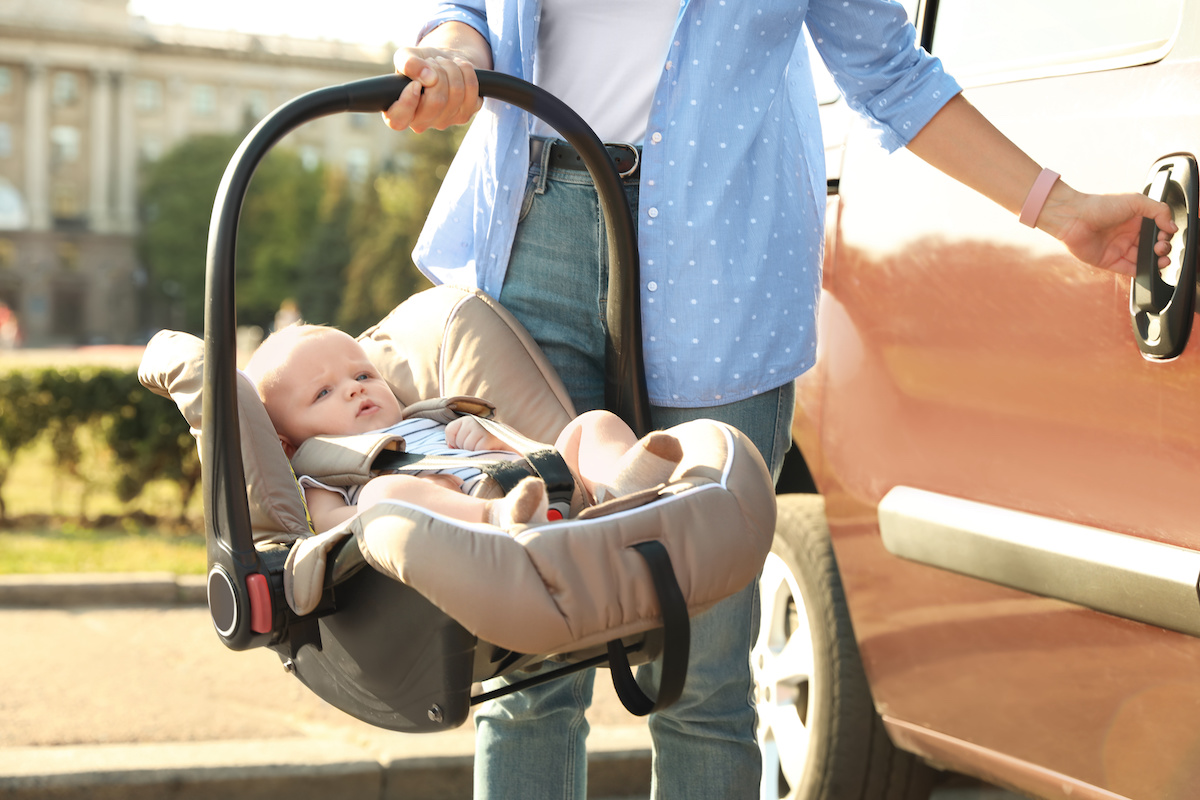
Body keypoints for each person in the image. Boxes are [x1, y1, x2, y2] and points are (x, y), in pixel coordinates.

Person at [381, 2, 1178, 797]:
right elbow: (471, 9)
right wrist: (455, 51)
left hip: (724, 255)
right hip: (536, 231)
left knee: (706, 681)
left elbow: (892, 70)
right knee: (528, 673)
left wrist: (1060, 207)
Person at [244, 323, 685, 533]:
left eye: (362, 376)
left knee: (593, 425)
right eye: (323, 394)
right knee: (383, 493)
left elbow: (534, 452)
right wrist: (411, 502)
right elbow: (328, 524)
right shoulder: (322, 469)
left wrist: (498, 438)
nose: (353, 391)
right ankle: (503, 517)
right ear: (288, 444)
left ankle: (619, 489)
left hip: (546, 487)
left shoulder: (431, 420)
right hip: (478, 526)